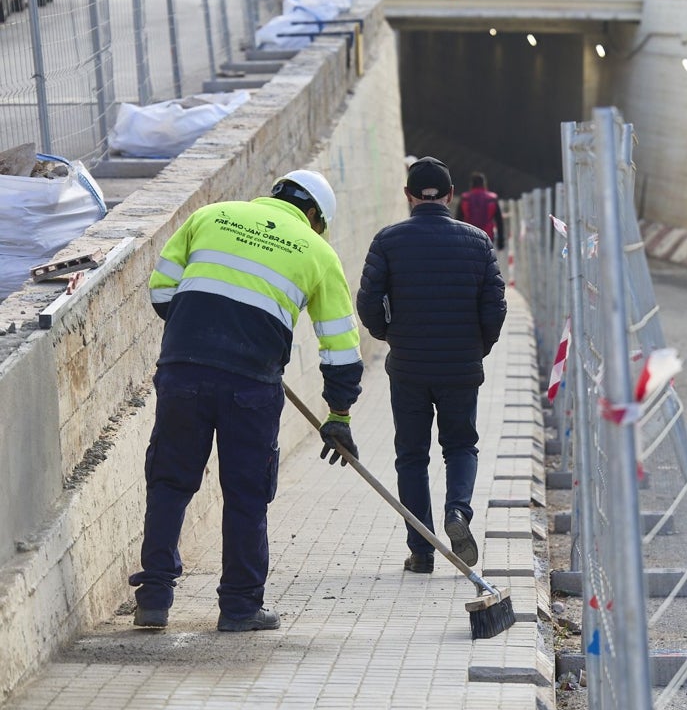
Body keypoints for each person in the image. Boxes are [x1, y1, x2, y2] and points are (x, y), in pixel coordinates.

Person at [129, 170, 364, 632]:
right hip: (252, 387)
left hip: (183, 369)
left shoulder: (211, 215)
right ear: (314, 214)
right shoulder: (318, 251)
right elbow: (340, 345)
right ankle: (239, 608)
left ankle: (154, 598)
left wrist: (206, 330)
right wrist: (338, 414)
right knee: (247, 494)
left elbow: (161, 294)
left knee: (170, 483)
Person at [356, 157, 507, 574]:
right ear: (451, 196)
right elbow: (495, 305)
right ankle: (457, 512)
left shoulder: (388, 241)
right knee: (460, 446)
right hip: (461, 367)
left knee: (411, 455)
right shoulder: (477, 242)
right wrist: (480, 347)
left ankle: (421, 550)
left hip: (408, 367)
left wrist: (388, 335)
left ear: (408, 196)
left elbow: (367, 301)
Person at [455, 170, 506, 250]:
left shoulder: (465, 198)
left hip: (469, 237)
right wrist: (501, 241)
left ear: (471, 184)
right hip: (487, 237)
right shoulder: (492, 198)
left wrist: (457, 240)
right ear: (484, 183)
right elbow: (499, 221)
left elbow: (458, 221)